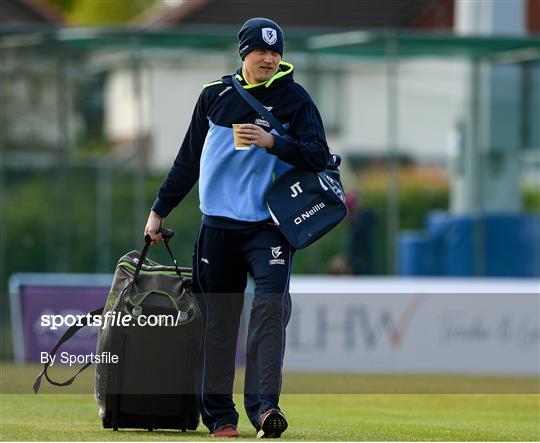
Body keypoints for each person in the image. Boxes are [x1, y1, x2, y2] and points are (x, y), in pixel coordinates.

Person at [144, 17, 329, 438]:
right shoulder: (214, 96)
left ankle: (265, 410)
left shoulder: (296, 100)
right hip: (219, 229)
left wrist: (274, 143)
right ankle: (221, 417)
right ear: (243, 53)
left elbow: (319, 155)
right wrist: (159, 210)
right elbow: (187, 160)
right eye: (260, 50)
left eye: (275, 51)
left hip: (270, 228)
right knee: (219, 325)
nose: (268, 57)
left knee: (269, 314)